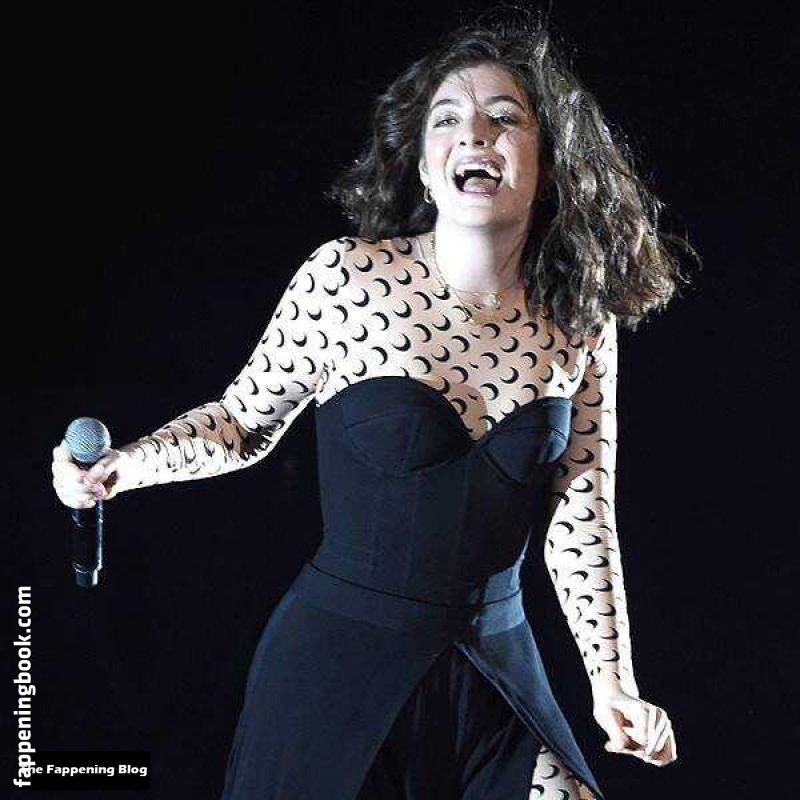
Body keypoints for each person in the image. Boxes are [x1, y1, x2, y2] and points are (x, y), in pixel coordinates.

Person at [52, 8, 695, 799]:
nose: (474, 134)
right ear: (423, 167)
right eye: (447, 119)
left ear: (551, 161)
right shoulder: (348, 280)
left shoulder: (579, 319)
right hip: (338, 668)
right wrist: (125, 466)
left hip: (496, 666)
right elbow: (241, 422)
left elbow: (582, 510)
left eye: (505, 118)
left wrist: (612, 683)